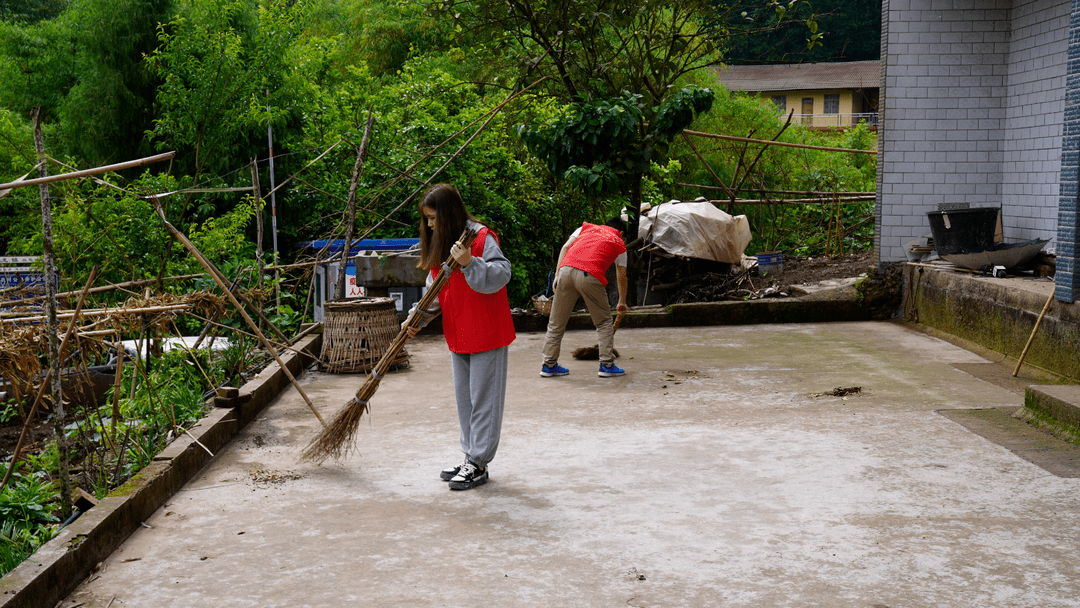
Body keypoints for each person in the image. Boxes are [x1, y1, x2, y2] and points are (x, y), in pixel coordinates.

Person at [404, 183, 516, 491]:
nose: (429, 225)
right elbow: (436, 290)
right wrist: (418, 318)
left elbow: (501, 274)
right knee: (465, 401)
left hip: (487, 333)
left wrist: (470, 262)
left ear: (449, 213)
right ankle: (470, 456)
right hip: (459, 333)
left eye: (433, 218)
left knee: (484, 401)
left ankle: (479, 463)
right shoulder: (445, 245)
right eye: (426, 219)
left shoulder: (481, 238)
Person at [540, 217, 628, 378]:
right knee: (603, 322)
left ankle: (548, 365)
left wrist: (558, 273)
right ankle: (607, 365)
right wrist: (622, 301)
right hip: (590, 275)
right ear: (621, 233)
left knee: (556, 322)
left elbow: (566, 247)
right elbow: (621, 275)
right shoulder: (618, 241)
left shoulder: (585, 229)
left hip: (566, 270)